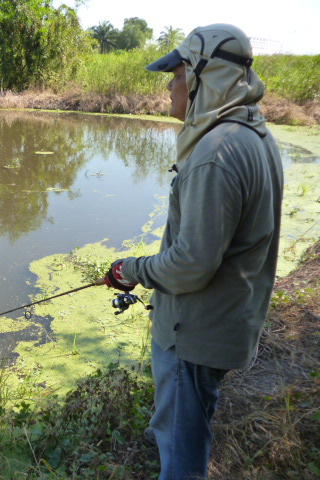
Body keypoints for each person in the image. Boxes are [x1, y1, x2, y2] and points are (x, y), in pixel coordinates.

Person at [98, 24, 284, 479]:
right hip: (225, 319)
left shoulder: (215, 154)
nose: (169, 86)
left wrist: (131, 269)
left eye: (178, 74)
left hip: (195, 332)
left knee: (182, 459)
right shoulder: (253, 133)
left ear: (205, 77)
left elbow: (191, 264)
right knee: (184, 418)